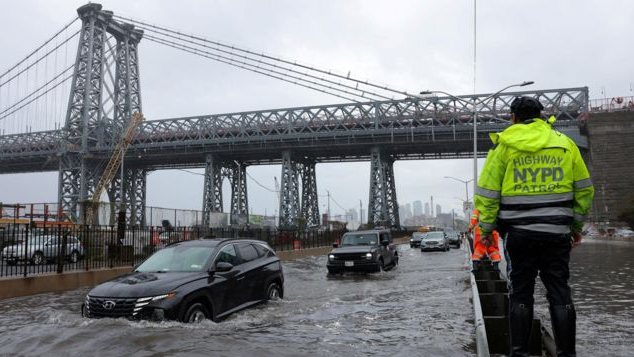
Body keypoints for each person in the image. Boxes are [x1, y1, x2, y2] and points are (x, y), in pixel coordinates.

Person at [474, 96, 594, 357]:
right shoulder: (565, 144)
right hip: (556, 234)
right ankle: (567, 353)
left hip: (519, 235)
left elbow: (488, 195)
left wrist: (485, 230)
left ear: (513, 117)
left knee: (521, 293)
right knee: (560, 293)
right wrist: (575, 227)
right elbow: (584, 190)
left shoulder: (504, 146)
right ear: (542, 116)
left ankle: (518, 353)